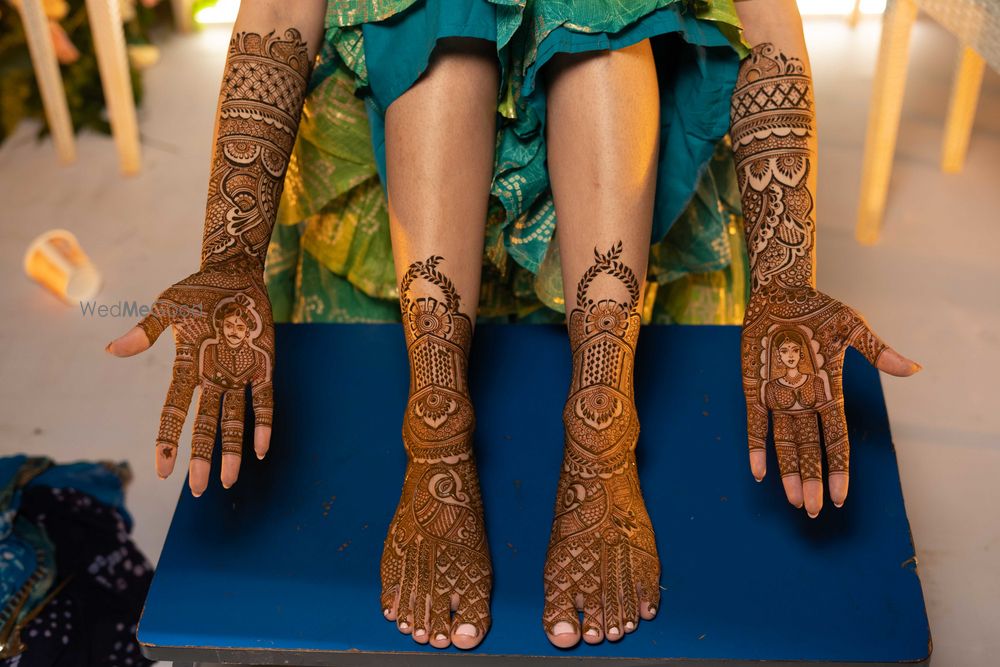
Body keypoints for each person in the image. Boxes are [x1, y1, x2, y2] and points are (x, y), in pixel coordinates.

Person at [107, 0, 921, 651]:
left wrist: (786, 281)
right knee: (433, 9)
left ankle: (600, 432)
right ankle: (436, 428)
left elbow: (767, 14)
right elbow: (281, 9)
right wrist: (229, 256)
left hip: (623, 175)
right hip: (409, 170)